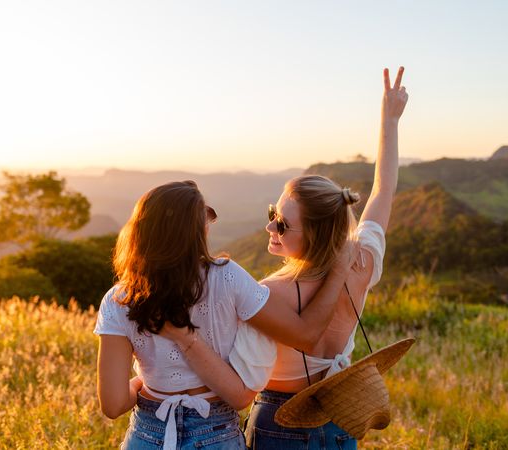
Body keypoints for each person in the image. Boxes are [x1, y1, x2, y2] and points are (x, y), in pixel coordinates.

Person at [159, 67, 409, 449]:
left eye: (282, 225)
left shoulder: (267, 295)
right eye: (273, 213)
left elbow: (236, 381)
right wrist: (389, 120)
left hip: (280, 422)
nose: (270, 228)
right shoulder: (361, 264)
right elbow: (383, 191)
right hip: (341, 414)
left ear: (315, 235)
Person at [93, 180, 356, 449]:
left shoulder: (117, 301)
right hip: (216, 433)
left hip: (147, 433)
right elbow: (306, 336)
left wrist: (140, 384)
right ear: (195, 230)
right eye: (205, 216)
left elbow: (113, 405)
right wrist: (338, 270)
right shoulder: (228, 277)